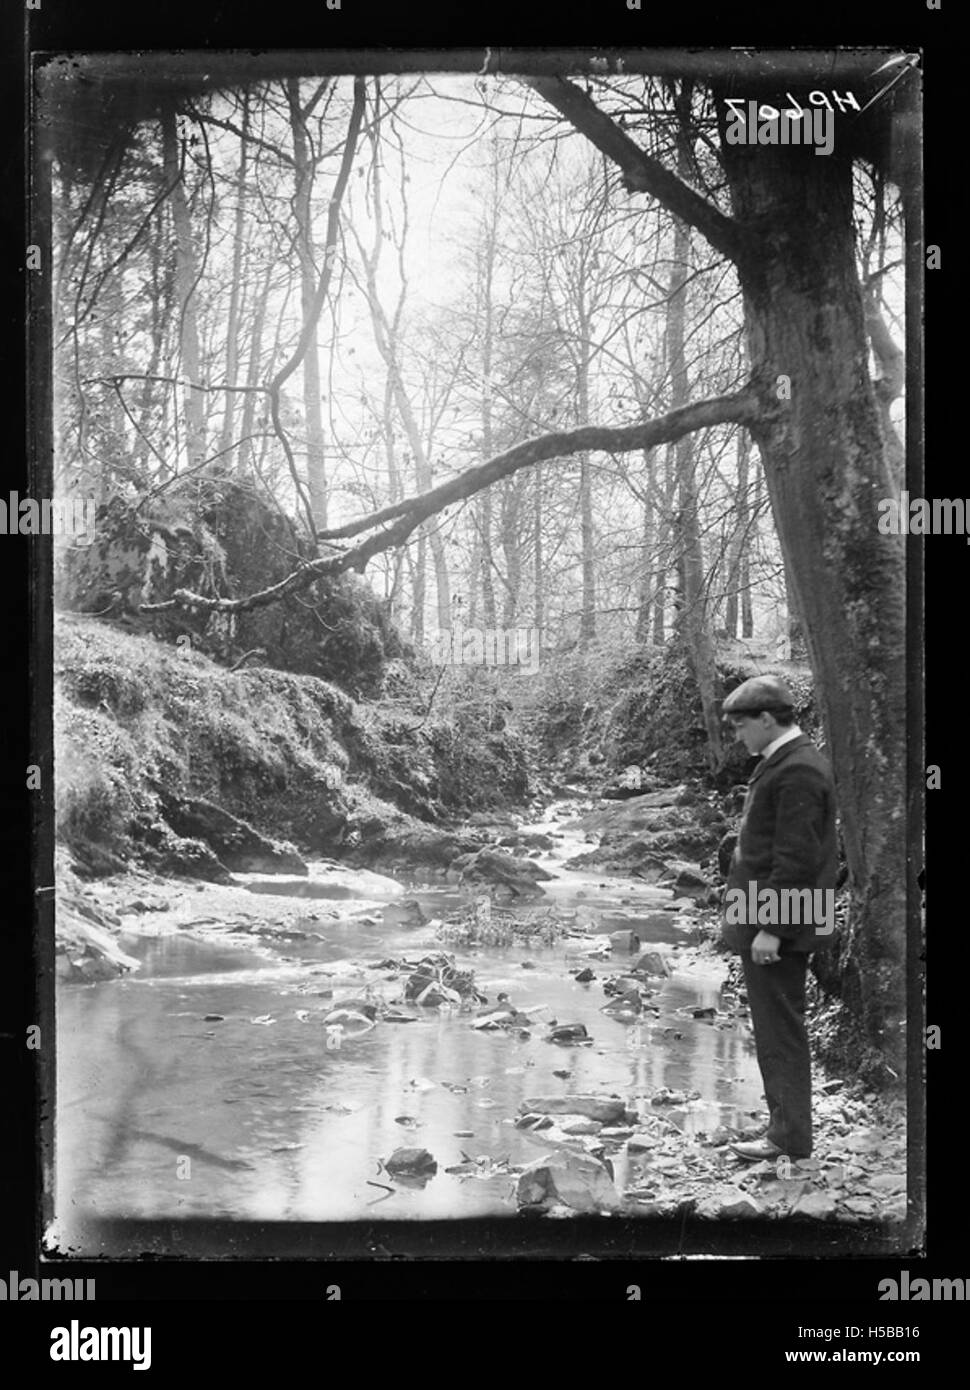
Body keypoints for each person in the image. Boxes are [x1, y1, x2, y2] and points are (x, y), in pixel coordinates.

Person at [720, 675, 837, 1161]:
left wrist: (771, 929)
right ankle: (783, 1127)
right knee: (774, 1027)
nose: (738, 736)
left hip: (782, 924)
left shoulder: (799, 771)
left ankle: (788, 1138)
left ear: (767, 719)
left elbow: (796, 860)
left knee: (780, 1028)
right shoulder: (785, 762)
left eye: (742, 725)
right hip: (774, 916)